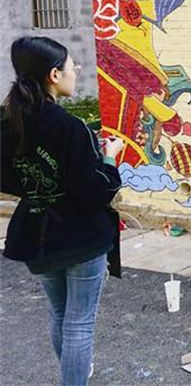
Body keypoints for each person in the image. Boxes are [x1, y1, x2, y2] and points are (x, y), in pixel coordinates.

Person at [0, 37, 125, 386]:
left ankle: (74, 372)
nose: (77, 71)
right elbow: (98, 191)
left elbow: (12, 178)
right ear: (54, 75)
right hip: (80, 237)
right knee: (79, 324)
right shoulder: (71, 128)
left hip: (36, 235)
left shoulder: (8, 123)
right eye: (72, 66)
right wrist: (109, 157)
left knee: (61, 315)